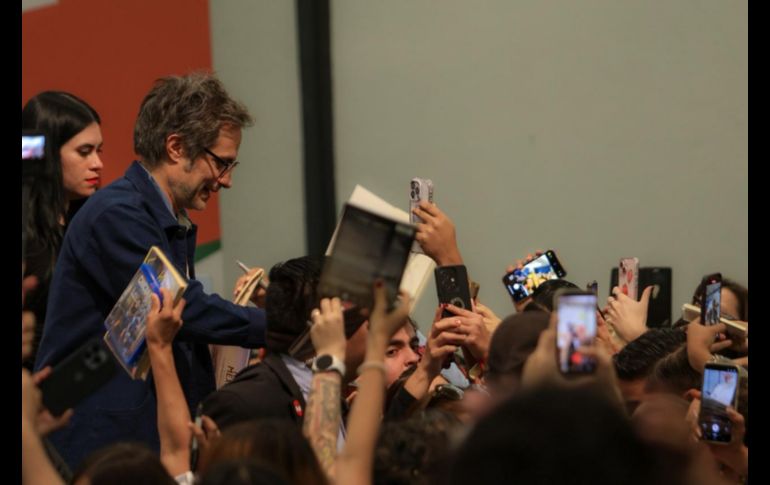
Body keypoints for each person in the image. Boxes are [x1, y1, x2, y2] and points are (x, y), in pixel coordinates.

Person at [35, 73, 267, 468]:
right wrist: (277, 323)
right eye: (221, 163)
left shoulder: (152, 214)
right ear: (176, 147)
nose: (226, 181)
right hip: (102, 448)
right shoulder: (117, 214)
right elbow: (184, 308)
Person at [22, 91, 104, 367]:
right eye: (84, 152)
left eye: (98, 150)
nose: (97, 163)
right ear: (46, 154)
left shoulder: (90, 222)